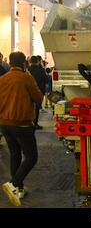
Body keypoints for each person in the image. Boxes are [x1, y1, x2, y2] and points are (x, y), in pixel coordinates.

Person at [0, 51, 43, 207]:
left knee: (15, 154)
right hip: (22, 124)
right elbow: (38, 98)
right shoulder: (26, 79)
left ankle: (18, 189)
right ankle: (13, 184)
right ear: (24, 63)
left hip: (4, 124)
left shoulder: (2, 79)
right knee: (31, 157)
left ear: (10, 63)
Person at [28, 56, 47, 130]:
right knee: (37, 108)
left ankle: (30, 123)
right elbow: (46, 80)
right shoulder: (41, 70)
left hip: (29, 91)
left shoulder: (28, 70)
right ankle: (35, 123)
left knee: (30, 107)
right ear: (38, 61)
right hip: (39, 91)